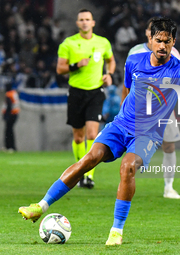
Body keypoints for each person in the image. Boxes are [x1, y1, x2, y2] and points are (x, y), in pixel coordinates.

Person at [18, 18, 180, 246]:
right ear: (150, 39)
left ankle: (116, 231)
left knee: (127, 167)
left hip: (148, 134)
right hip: (121, 125)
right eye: (158, 40)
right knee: (89, 159)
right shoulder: (133, 61)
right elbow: (128, 90)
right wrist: (121, 116)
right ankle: (40, 207)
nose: (162, 46)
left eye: (167, 42)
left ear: (173, 42)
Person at [122, 17, 180, 199]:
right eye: (151, 31)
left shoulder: (174, 53)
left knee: (169, 146)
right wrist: (124, 106)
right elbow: (127, 82)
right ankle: (126, 182)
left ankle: (168, 187)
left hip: (163, 107)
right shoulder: (135, 52)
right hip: (139, 110)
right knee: (134, 151)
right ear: (149, 34)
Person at [56, 9, 116, 188]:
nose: (84, 22)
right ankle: (80, 171)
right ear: (77, 23)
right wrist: (75, 65)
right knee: (78, 138)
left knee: (92, 134)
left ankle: (88, 176)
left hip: (95, 92)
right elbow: (60, 69)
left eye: (87, 19)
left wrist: (109, 74)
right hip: (76, 92)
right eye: (81, 19)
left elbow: (111, 60)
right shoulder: (69, 43)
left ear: (93, 23)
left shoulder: (102, 42)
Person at [1, 83, 20, 152]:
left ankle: (9, 146)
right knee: (10, 130)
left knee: (8, 131)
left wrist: (6, 115)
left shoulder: (9, 94)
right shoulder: (14, 93)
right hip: (15, 114)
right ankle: (10, 146)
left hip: (11, 114)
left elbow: (9, 105)